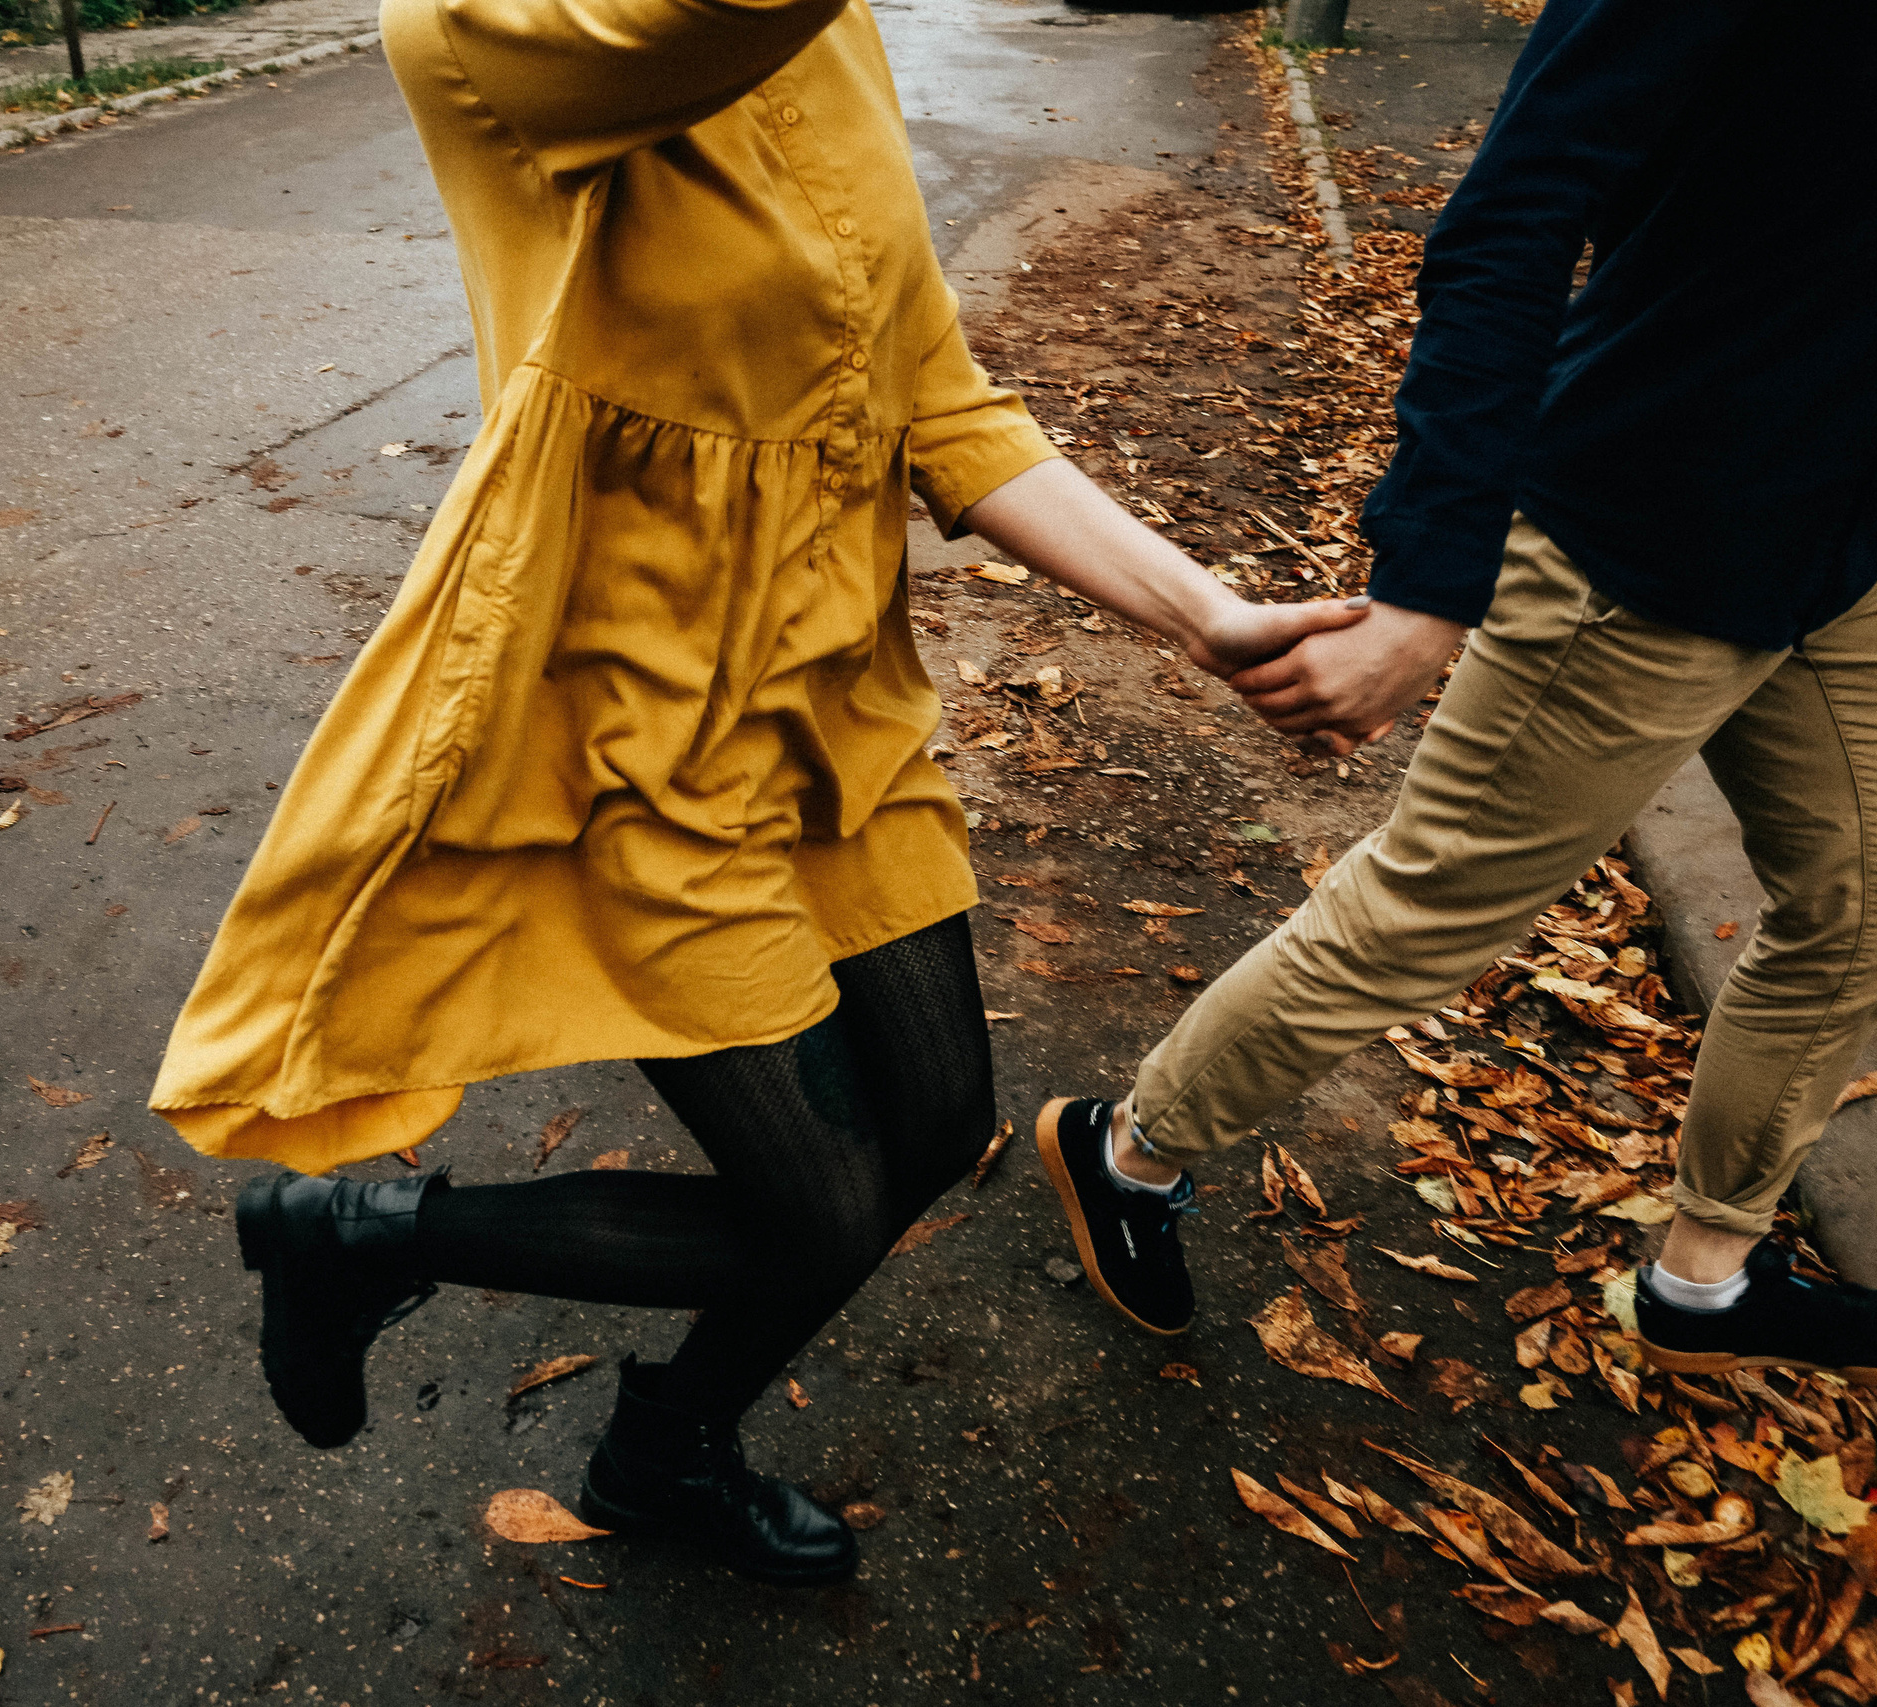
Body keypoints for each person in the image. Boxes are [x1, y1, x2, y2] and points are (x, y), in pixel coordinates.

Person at [149, 0, 1366, 1584]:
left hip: (831, 701)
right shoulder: (489, 28)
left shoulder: (828, 35)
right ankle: (359, 1240)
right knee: (816, 1213)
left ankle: (663, 1453)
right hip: (631, 731)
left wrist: (1204, 616)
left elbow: (933, 393)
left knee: (937, 1127)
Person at [1037, 0, 1877, 1386]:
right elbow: (1514, 221)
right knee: (1429, 910)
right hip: (1643, 532)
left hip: (1843, 528)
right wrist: (1432, 581)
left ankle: (1706, 1280)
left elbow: (1843, 187)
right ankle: (1129, 1152)